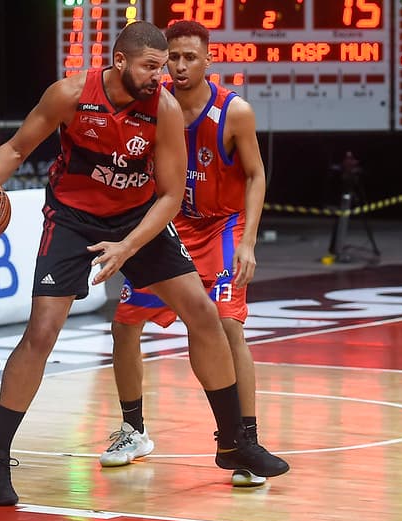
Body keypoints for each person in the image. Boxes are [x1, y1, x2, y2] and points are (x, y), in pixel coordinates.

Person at [0, 21, 289, 507]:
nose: (162, 75)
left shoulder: (165, 109)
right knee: (42, 332)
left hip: (137, 217)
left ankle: (232, 443)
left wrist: (128, 246)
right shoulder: (71, 94)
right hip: (72, 219)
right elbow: (14, 149)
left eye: (164, 67)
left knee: (204, 315)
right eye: (152, 66)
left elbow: (171, 195)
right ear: (120, 62)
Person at [98, 20, 278, 487]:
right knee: (124, 325)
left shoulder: (234, 112)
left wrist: (248, 241)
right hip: (170, 226)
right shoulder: (151, 104)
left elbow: (256, 175)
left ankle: (245, 442)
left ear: (208, 60)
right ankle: (133, 430)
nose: (179, 66)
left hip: (222, 226)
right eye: (173, 58)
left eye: (189, 58)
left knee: (228, 326)